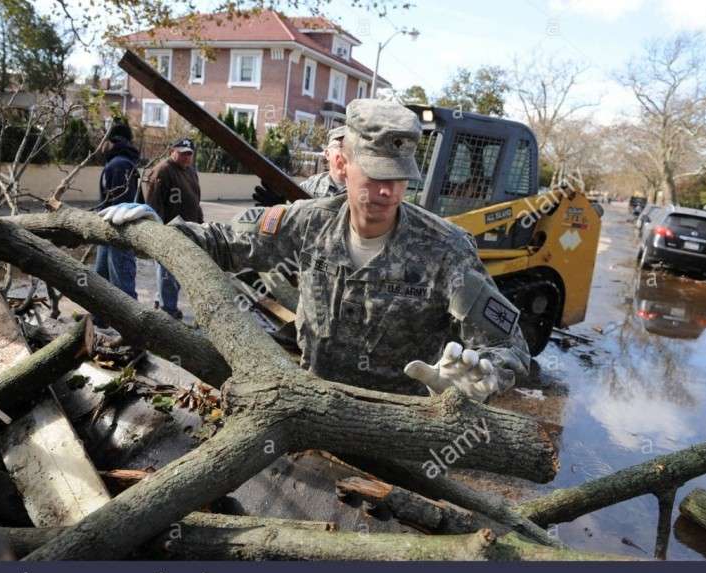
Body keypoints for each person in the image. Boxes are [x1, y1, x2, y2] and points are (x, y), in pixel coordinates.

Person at [100, 99, 530, 400]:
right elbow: (219, 243)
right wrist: (157, 231)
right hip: (315, 410)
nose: (386, 190)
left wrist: (484, 376)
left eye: (398, 179)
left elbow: (508, 344)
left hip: (404, 428)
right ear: (343, 165)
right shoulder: (308, 223)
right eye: (375, 174)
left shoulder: (445, 249)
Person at [146, 137, 203, 319]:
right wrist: (158, 231)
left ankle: (161, 302)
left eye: (189, 154)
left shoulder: (191, 171)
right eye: (182, 153)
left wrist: (200, 224)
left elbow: (195, 200)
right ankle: (168, 310)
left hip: (188, 228)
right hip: (169, 230)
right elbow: (153, 203)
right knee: (167, 271)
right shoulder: (163, 170)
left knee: (178, 271)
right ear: (173, 151)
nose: (186, 157)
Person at [93, 121, 141, 308]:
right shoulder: (118, 163)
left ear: (113, 141)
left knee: (122, 283)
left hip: (118, 231)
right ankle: (100, 318)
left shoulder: (119, 165)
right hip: (107, 230)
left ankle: (133, 325)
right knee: (101, 278)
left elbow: (122, 206)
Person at [252, 125, 346, 206]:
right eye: (341, 146)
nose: (346, 153)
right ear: (327, 154)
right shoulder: (310, 187)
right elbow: (295, 220)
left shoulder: (359, 190)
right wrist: (281, 209)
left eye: (352, 147)